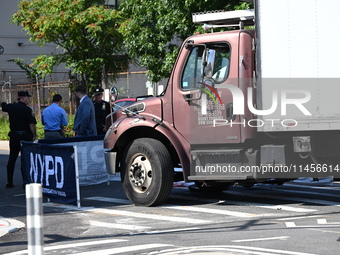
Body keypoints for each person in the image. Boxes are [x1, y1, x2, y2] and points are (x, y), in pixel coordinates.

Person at [1, 90, 37, 188]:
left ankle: (9, 182)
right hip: (24, 136)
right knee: (24, 159)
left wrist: (5, 103)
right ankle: (25, 181)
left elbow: (3, 106)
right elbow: (31, 124)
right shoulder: (27, 110)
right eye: (28, 97)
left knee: (12, 158)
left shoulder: (12, 107)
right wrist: (34, 135)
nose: (29, 99)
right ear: (23, 98)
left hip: (14, 136)